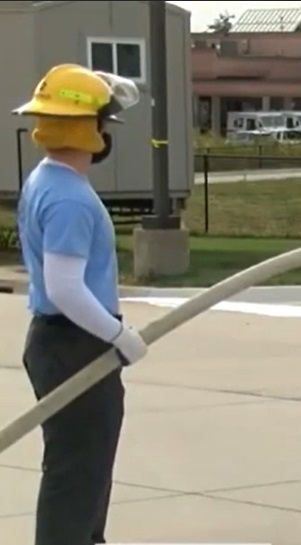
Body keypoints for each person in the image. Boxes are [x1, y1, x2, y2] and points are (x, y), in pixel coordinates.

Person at [14, 64, 148, 545]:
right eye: (104, 122)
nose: (108, 132)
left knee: (86, 468)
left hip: (64, 341)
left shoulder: (46, 180)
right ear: (88, 128)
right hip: (76, 344)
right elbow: (65, 286)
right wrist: (118, 336)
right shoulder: (69, 197)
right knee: (77, 473)